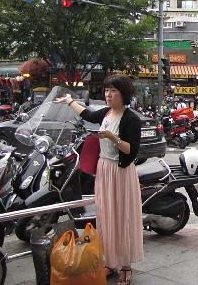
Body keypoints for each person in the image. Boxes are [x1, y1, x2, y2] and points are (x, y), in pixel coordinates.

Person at [55, 74, 143, 284]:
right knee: (105, 216)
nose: (108, 95)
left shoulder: (131, 119)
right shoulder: (106, 113)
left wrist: (112, 137)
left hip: (121, 172)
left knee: (123, 217)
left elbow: (131, 150)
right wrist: (70, 101)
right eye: (106, 91)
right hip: (104, 169)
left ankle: (126, 266)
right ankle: (110, 262)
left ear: (124, 94)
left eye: (113, 91)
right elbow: (87, 114)